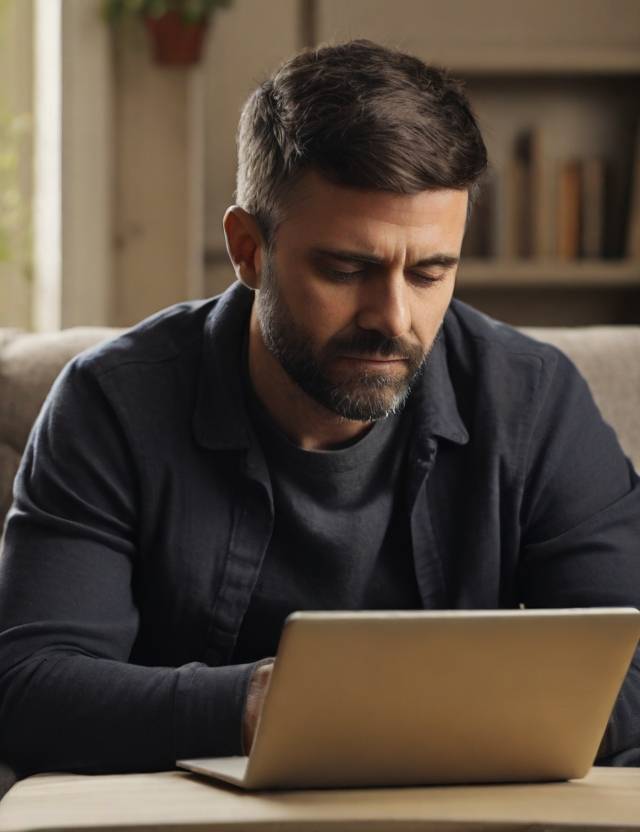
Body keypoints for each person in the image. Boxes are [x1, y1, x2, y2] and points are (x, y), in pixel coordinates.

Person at [0, 38, 639, 780]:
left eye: (432, 272)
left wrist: (362, 713)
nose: (393, 317)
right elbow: (29, 686)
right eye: (346, 268)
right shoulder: (110, 403)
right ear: (248, 249)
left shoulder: (534, 400)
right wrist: (258, 704)